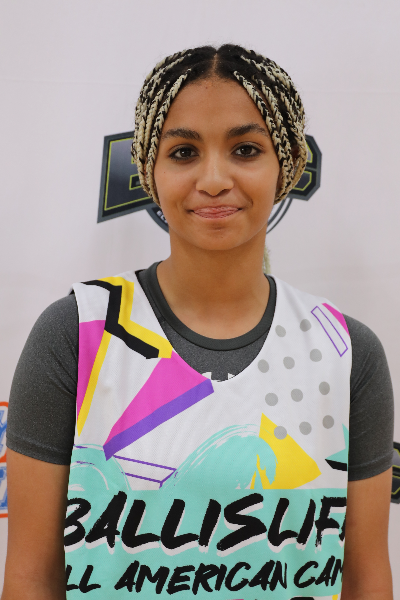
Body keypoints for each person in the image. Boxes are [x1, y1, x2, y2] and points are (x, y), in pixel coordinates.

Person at [3, 45, 394, 600]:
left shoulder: (347, 352)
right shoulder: (76, 333)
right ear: (149, 167)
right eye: (184, 151)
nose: (213, 179)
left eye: (245, 149)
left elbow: (366, 579)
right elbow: (30, 578)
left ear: (286, 164)